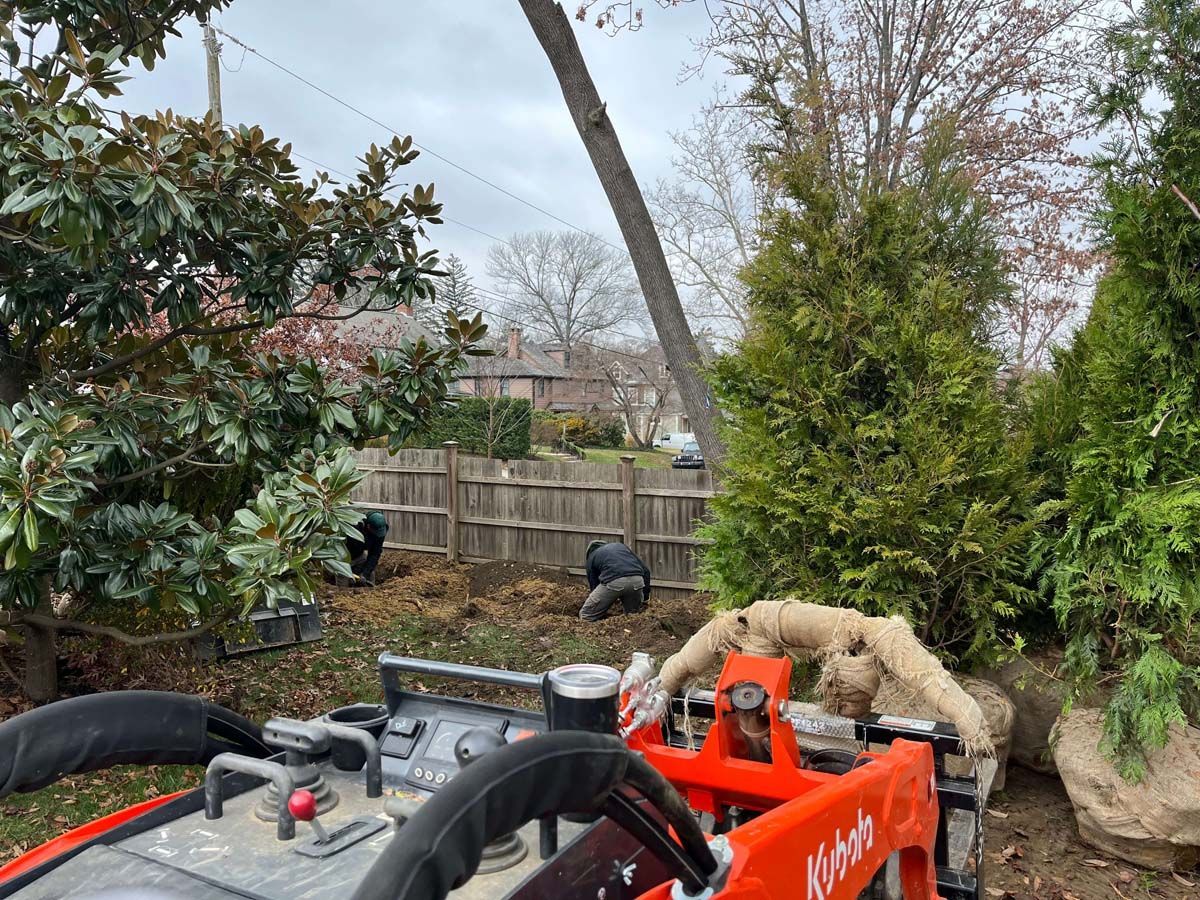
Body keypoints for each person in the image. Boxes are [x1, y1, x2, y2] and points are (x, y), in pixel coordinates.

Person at [580, 540, 651, 621]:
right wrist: (645, 597)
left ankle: (587, 632)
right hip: (637, 581)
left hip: (614, 582)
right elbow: (646, 571)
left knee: (586, 614)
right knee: (632, 617)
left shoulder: (592, 556)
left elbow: (594, 583)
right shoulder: (622, 547)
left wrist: (603, 603)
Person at [347, 511, 389, 586]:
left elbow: (375, 553)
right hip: (346, 557)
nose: (377, 535)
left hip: (360, 555)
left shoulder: (381, 531)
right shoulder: (353, 528)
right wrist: (349, 572)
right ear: (368, 526)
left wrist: (364, 574)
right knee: (344, 581)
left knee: (370, 573)